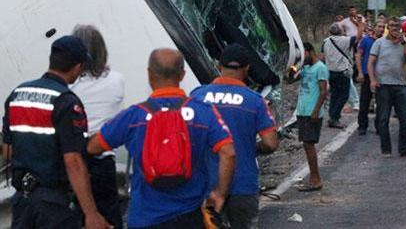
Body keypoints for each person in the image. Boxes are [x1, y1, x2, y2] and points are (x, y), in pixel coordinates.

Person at [88, 49, 236, 227]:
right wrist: (219, 194)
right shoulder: (203, 112)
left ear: (149, 74)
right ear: (182, 75)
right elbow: (228, 152)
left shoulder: (134, 116)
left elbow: (94, 147)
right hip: (190, 216)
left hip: (145, 218)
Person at [3, 36, 110, 229]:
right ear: (78, 67)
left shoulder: (17, 94)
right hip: (53, 205)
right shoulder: (67, 101)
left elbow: (8, 150)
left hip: (22, 201)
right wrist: (91, 214)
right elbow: (73, 161)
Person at [191, 44, 279, 226]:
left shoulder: (197, 96)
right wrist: (253, 148)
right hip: (243, 184)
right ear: (247, 69)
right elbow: (271, 143)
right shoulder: (255, 100)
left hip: (206, 185)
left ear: (218, 66)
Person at [70, 25, 125, 229]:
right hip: (103, 160)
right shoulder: (116, 80)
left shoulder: (68, 86)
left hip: (73, 160)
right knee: (110, 215)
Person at [368, 18, 406, 157]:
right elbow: (371, 62)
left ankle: (404, 148)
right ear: (389, 27)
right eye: (392, 25)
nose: (395, 28)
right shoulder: (379, 43)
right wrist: (372, 80)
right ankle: (386, 149)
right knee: (383, 119)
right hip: (383, 85)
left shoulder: (403, 43)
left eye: (397, 26)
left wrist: (403, 43)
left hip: (400, 84)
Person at [294, 43, 329, 191]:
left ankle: (316, 179)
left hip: (311, 113)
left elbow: (323, 91)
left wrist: (316, 110)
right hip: (302, 111)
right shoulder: (305, 68)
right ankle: (313, 178)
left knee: (309, 145)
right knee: (306, 145)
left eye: (304, 55)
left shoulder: (320, 68)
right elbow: (290, 79)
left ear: (310, 52)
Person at [322, 22, 362, 129]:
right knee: (343, 95)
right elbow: (358, 37)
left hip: (330, 71)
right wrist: (360, 25)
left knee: (335, 95)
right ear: (340, 31)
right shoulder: (344, 41)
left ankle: (332, 116)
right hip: (342, 72)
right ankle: (335, 117)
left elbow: (323, 54)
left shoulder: (326, 41)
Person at [356, 20, 385, 135]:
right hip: (367, 74)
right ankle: (362, 126)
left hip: (380, 75)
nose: (381, 29)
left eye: (383, 27)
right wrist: (360, 72)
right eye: (379, 26)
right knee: (364, 101)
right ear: (374, 27)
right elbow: (358, 55)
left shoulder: (384, 41)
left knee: (381, 102)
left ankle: (380, 126)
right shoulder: (366, 40)